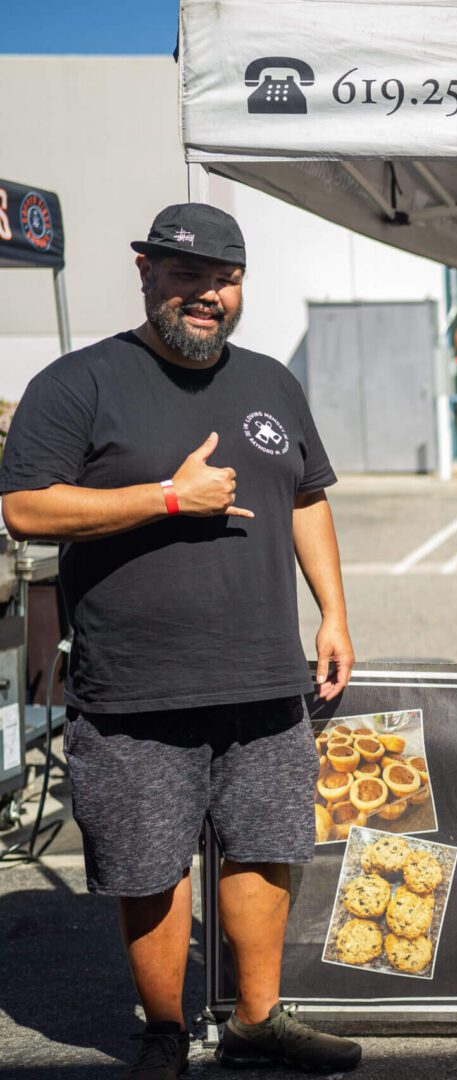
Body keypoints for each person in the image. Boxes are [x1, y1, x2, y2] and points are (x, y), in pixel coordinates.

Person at [0, 204, 361, 1078]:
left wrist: (335, 613)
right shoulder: (79, 382)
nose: (208, 297)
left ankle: (256, 1020)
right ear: (146, 272)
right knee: (148, 860)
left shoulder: (273, 381)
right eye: (189, 277)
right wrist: (167, 496)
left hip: (265, 673)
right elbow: (27, 507)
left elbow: (307, 496)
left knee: (265, 843)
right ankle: (164, 1031)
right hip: (135, 685)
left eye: (224, 280)